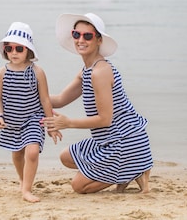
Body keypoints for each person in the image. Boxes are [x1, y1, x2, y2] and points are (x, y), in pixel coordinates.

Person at [41, 13, 153, 194]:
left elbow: (105, 120)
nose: (80, 40)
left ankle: (131, 170)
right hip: (107, 141)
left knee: (78, 187)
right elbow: (60, 100)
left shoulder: (100, 72)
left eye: (88, 36)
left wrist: (68, 123)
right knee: (66, 157)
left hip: (126, 141)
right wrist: (28, 95)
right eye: (76, 34)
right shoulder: (87, 70)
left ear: (99, 40)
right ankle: (129, 171)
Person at [0, 22, 62, 203]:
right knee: (17, 154)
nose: (14, 52)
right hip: (12, 121)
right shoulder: (2, 73)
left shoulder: (37, 72)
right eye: (9, 48)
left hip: (33, 119)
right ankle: (23, 180)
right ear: (5, 50)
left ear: (28, 50)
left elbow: (45, 99)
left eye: (19, 48)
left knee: (31, 152)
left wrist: (50, 125)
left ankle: (26, 190)